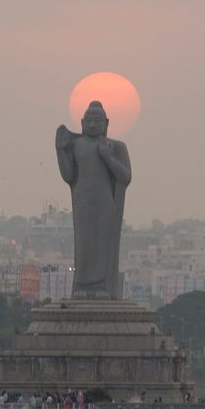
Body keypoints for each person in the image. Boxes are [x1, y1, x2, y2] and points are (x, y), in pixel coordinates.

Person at [56, 101, 131, 299]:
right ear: (81, 122)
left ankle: (103, 287)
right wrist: (61, 150)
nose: (92, 124)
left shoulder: (115, 147)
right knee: (84, 244)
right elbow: (68, 175)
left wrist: (107, 157)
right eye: (88, 120)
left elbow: (125, 177)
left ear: (106, 123)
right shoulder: (76, 145)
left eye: (97, 120)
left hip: (104, 201)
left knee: (102, 244)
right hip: (82, 199)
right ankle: (81, 287)